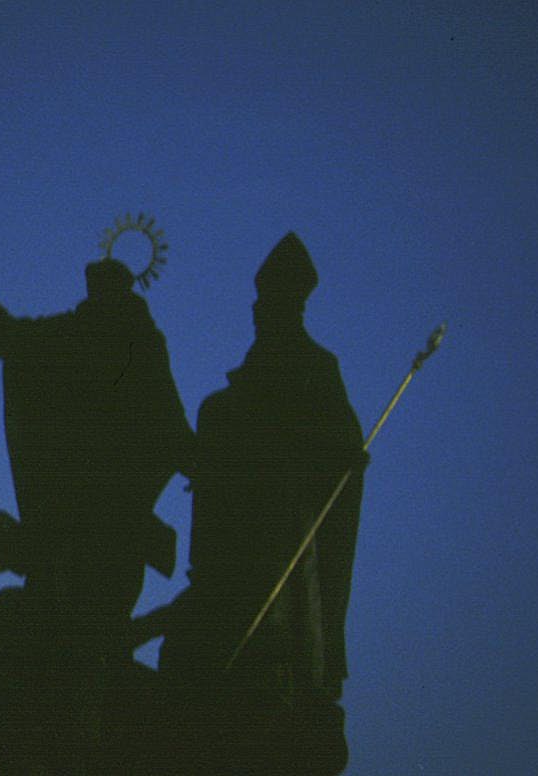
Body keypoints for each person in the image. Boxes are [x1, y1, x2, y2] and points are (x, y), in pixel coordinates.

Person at [159, 233, 367, 774]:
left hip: (282, 540)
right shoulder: (233, 393)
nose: (259, 311)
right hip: (227, 550)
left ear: (289, 305)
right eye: (258, 302)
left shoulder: (317, 367)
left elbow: (343, 449)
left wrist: (332, 454)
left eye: (269, 302)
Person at [0, 255, 194, 656]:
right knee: (85, 610)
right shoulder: (102, 334)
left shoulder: (91, 335)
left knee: (82, 611)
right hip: (100, 505)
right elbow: (18, 339)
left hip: (87, 503)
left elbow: (15, 339)